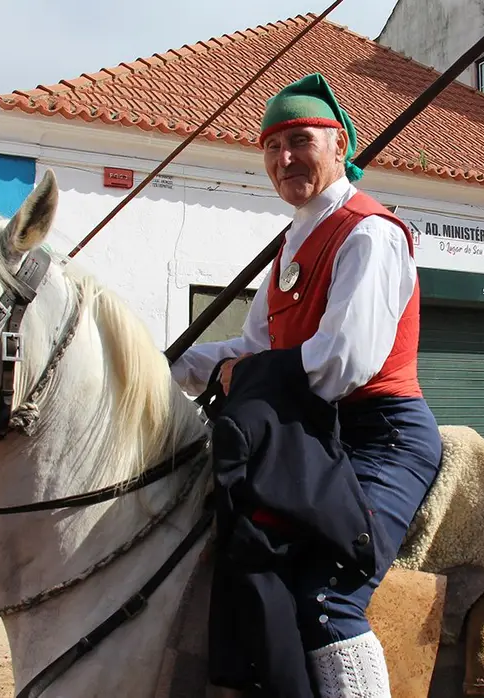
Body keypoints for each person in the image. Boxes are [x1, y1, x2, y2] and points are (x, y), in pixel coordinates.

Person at [171, 73, 442, 696]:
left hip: (384, 435)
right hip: (314, 435)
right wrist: (161, 367)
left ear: (340, 144)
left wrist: (251, 373)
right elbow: (253, 347)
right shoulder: (291, 245)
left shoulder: (370, 233)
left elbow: (345, 359)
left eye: (299, 140)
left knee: (326, 596)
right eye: (271, 146)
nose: (284, 158)